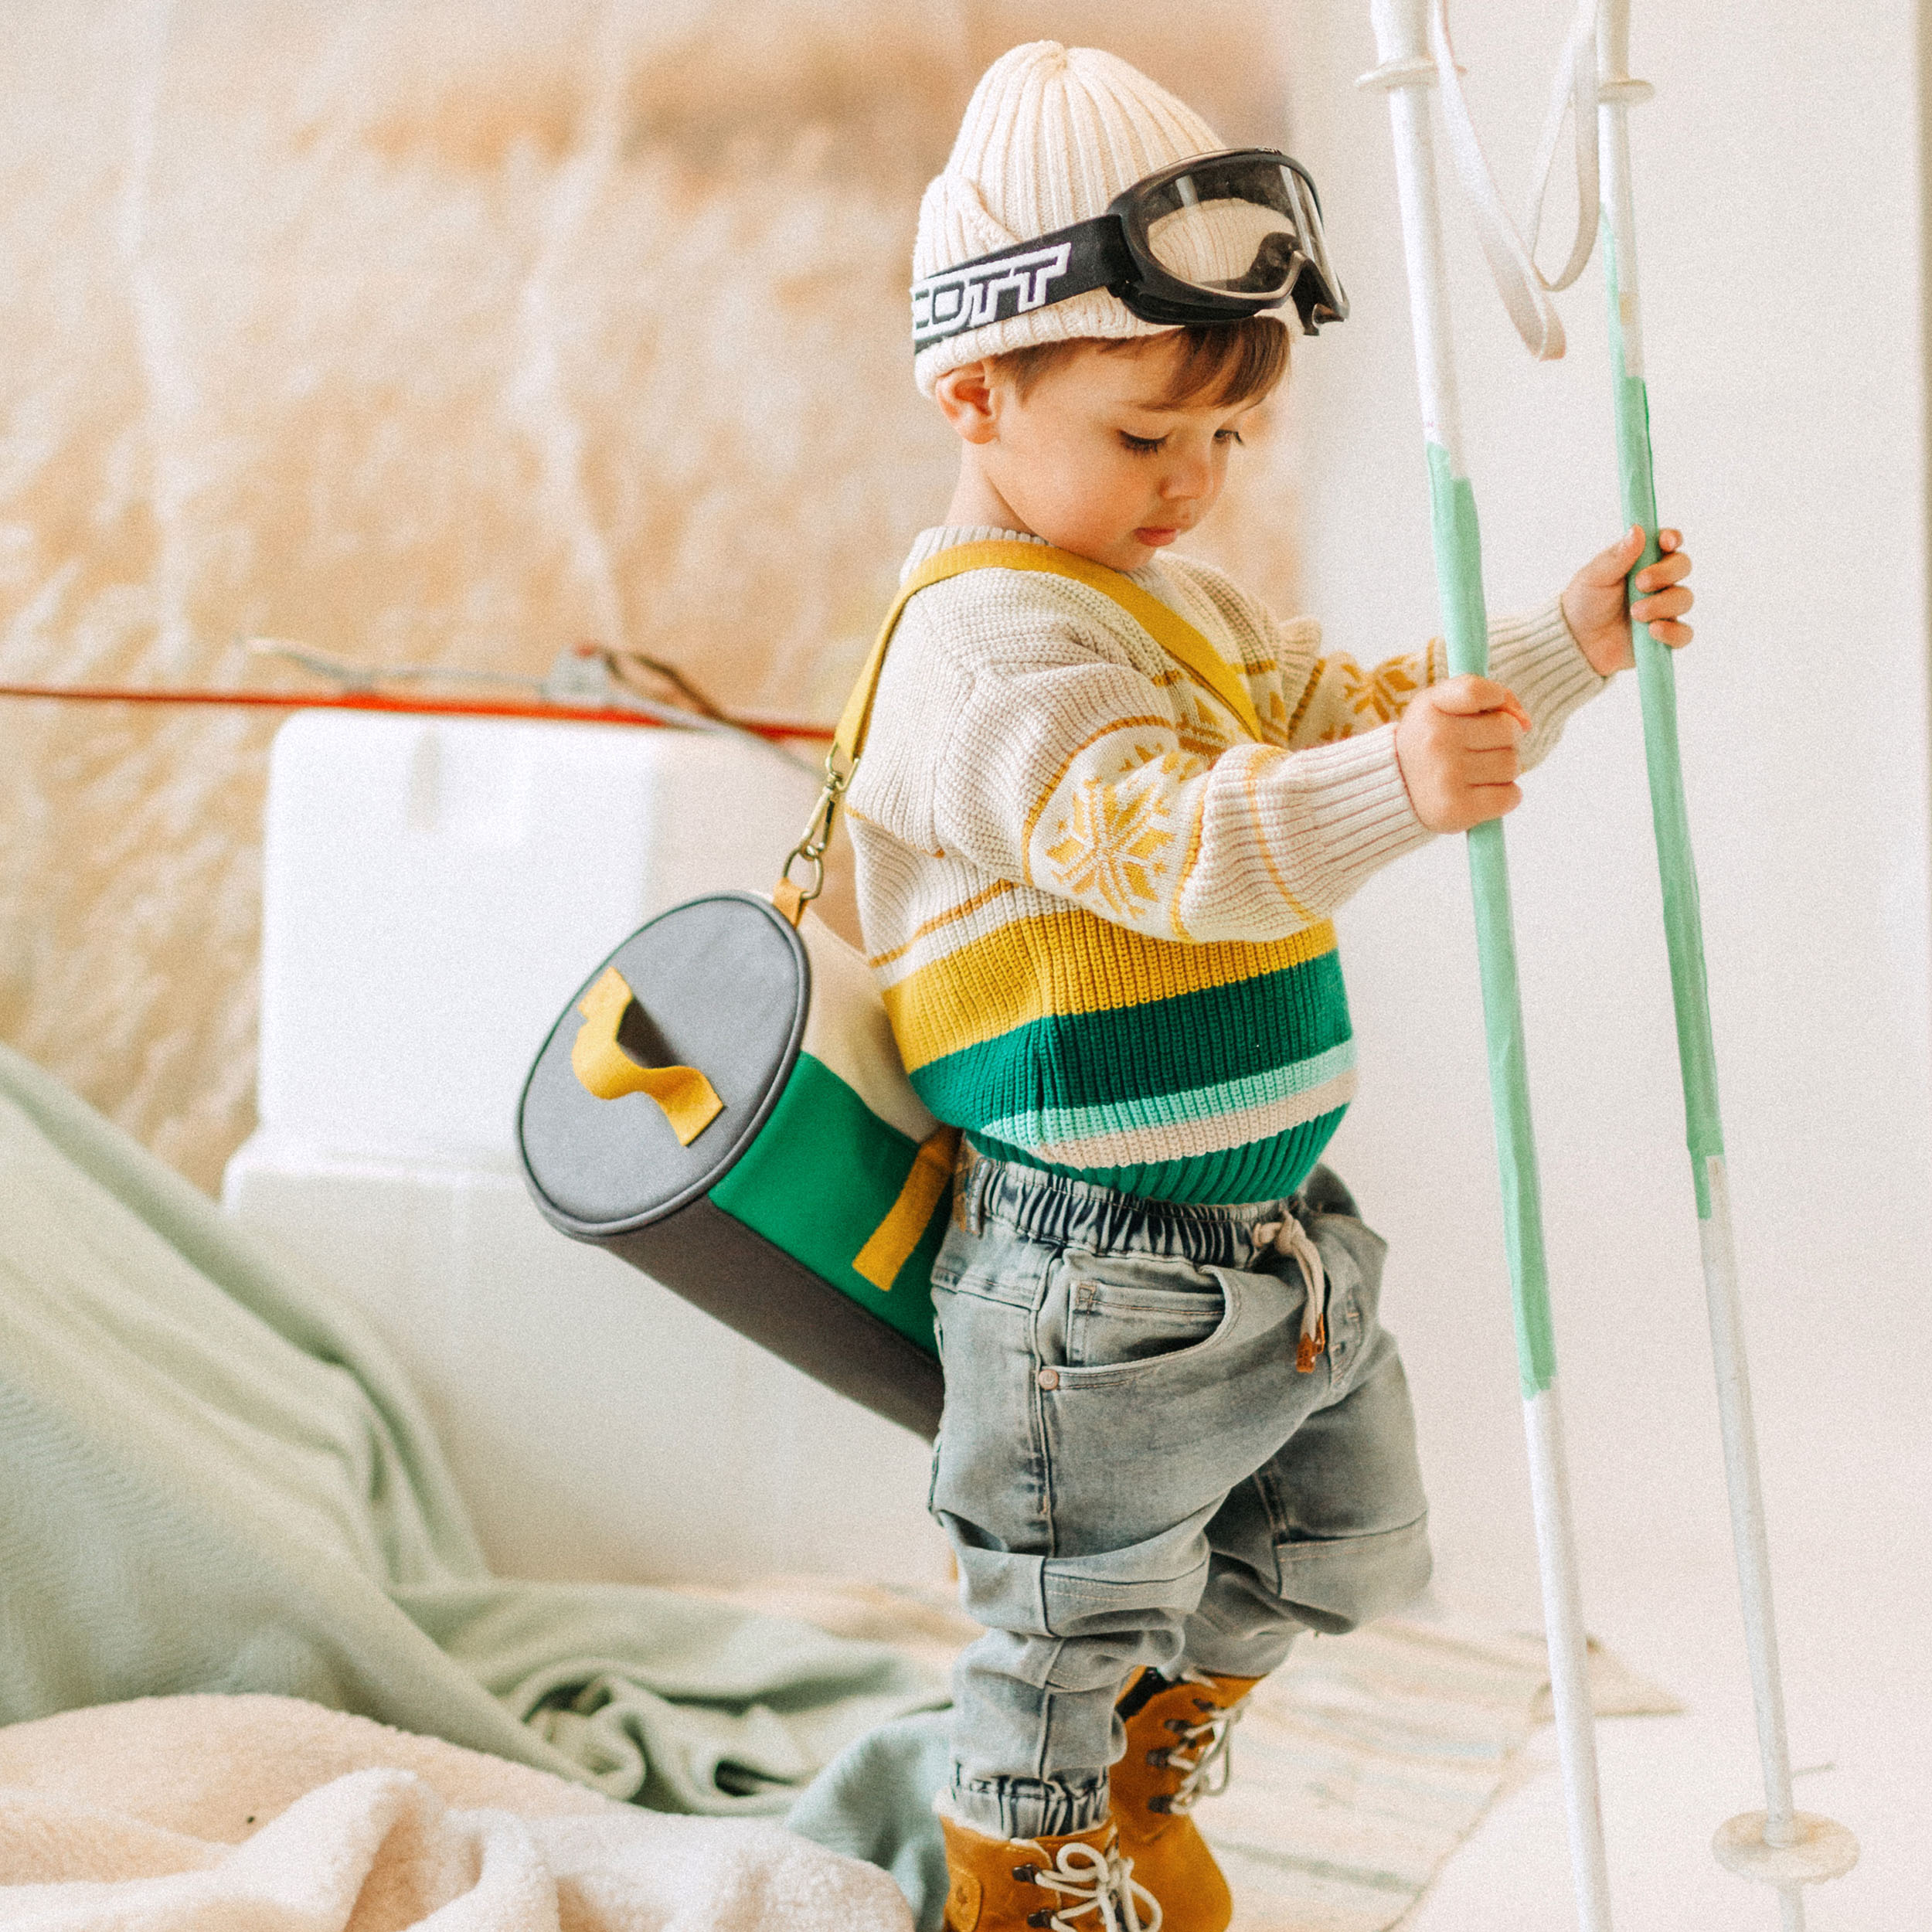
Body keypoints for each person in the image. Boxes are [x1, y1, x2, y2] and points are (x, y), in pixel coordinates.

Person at [844, 41, 1693, 1932]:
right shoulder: (979, 647)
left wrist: (1551, 652)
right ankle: (1020, 1859)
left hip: (1266, 1236)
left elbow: (1359, 716)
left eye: (1229, 441)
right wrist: (1389, 791)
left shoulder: (1181, 603)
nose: (1196, 484)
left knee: (1351, 1538)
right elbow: (1171, 844)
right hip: (1091, 1265)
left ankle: (1135, 1759)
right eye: (1147, 438)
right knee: (1066, 1606)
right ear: (972, 387)